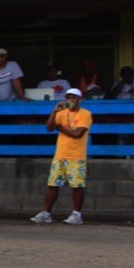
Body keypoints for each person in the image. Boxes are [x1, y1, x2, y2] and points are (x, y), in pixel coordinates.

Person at [31, 88, 91, 226]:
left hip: (76, 155)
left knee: (77, 185)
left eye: (74, 97)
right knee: (52, 184)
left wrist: (61, 128)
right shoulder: (62, 112)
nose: (71, 100)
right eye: (68, 97)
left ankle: (77, 214)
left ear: (80, 99)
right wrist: (55, 111)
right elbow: (49, 127)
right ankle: (46, 213)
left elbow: (78, 133)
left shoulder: (85, 114)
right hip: (60, 154)